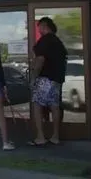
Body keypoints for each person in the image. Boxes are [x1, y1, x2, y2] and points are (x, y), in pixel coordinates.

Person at [28, 17, 67, 146]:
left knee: (37, 105)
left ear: (44, 26)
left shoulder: (44, 41)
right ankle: (55, 136)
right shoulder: (58, 42)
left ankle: (40, 137)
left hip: (44, 78)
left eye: (39, 27)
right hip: (57, 79)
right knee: (55, 106)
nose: (38, 30)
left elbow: (40, 60)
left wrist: (33, 77)